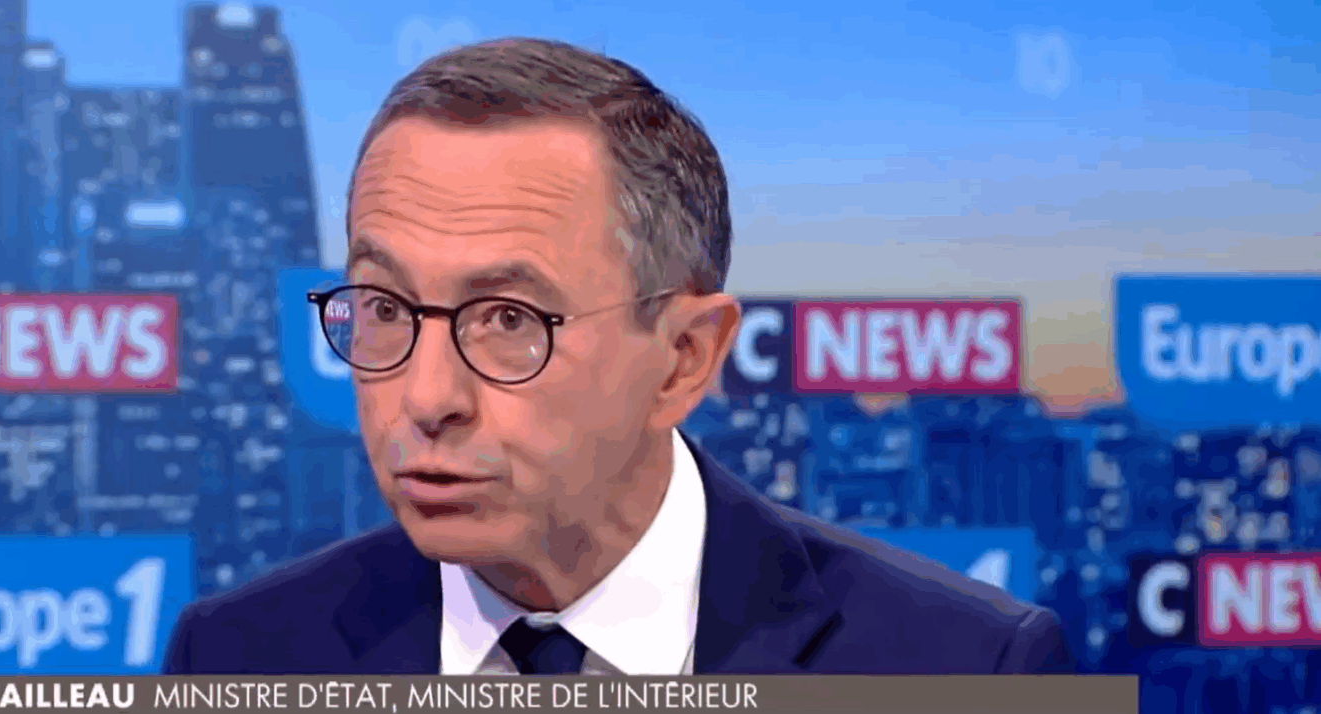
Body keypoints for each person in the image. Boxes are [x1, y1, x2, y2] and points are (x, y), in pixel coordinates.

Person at [162, 38, 1075, 676]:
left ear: (683, 359)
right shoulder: (236, 656)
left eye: (508, 318)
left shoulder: (969, 667)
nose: (427, 396)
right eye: (387, 308)